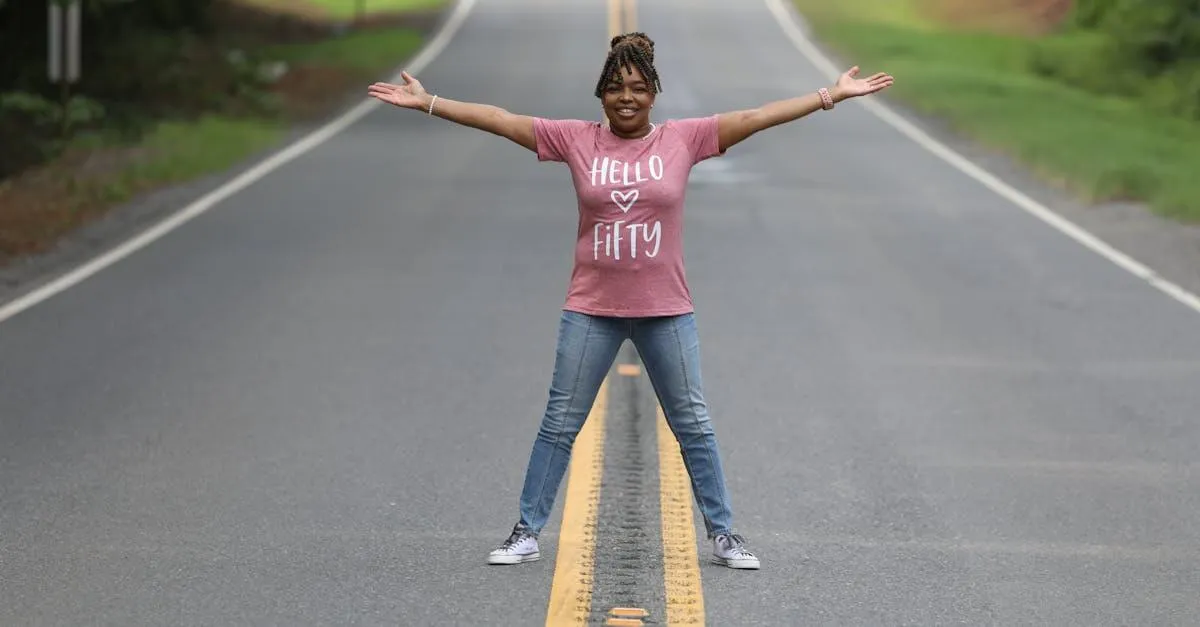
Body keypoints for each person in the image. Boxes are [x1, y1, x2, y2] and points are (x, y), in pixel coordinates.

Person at [368, 32, 893, 571]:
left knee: (693, 425)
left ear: (653, 94)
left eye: (639, 88)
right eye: (616, 88)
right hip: (591, 308)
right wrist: (428, 102)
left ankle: (725, 534)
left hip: (666, 309)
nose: (627, 97)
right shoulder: (575, 139)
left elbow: (760, 115)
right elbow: (500, 118)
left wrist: (830, 95)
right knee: (559, 423)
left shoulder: (684, 140)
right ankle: (525, 531)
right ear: (600, 93)